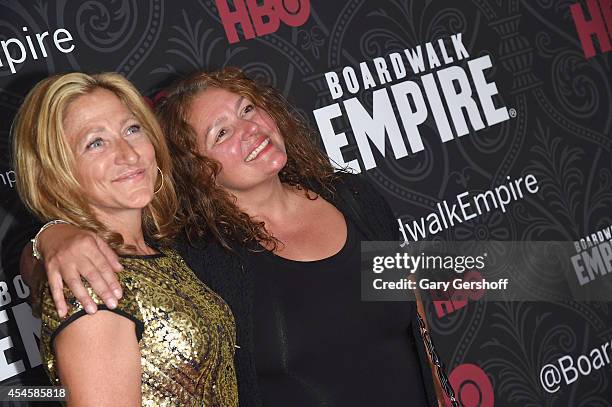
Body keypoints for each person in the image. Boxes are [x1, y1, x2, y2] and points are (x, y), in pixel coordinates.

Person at [21, 68, 455, 406]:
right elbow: (75, 267)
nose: (249, 130)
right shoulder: (197, 252)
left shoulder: (354, 197)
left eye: (247, 109)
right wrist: (52, 235)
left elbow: (412, 317)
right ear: (195, 166)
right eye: (222, 132)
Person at [13, 72, 238, 406]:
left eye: (132, 129)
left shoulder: (155, 253)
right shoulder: (92, 281)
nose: (129, 154)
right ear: (55, 171)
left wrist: (48, 237)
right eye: (95, 143)